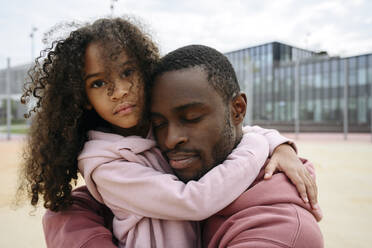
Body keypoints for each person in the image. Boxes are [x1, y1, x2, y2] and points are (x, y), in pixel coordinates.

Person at [17, 17, 319, 247]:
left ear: (146, 71)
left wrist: (281, 147)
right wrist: (257, 146)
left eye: (127, 72)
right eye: (98, 83)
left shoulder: (153, 133)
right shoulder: (104, 165)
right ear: (82, 98)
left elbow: (238, 128)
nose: (119, 91)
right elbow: (194, 200)